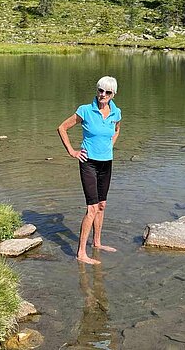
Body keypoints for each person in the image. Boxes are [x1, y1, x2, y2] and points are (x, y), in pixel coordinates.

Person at [57, 76, 121, 265]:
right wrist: (72, 151)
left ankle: (97, 243)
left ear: (113, 94)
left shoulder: (116, 113)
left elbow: (116, 130)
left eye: (107, 92)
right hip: (88, 163)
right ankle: (81, 253)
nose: (103, 95)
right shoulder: (85, 110)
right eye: (100, 90)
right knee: (92, 208)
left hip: (106, 163)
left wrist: (110, 146)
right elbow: (62, 128)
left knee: (102, 205)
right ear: (97, 90)